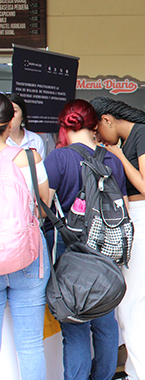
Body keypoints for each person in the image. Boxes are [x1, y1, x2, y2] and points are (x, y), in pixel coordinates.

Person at [90, 97, 145, 380]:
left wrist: (117, 154)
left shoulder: (143, 134)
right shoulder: (132, 138)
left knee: (131, 307)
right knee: (143, 304)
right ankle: (136, 372)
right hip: (144, 219)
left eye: (96, 129)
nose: (97, 136)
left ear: (107, 120)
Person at [43, 99, 127, 380]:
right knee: (104, 320)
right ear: (95, 125)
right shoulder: (112, 160)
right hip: (105, 249)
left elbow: (42, 203)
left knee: (75, 324)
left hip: (71, 249)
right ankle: (102, 377)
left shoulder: (59, 158)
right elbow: (123, 208)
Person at [0, 92, 50, 379]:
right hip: (27, 255)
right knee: (30, 346)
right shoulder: (28, 158)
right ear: (10, 124)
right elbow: (43, 207)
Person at [6, 93, 45, 157]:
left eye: (14, 111)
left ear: (22, 116)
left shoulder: (35, 140)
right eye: (7, 111)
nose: (10, 115)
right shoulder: (2, 140)